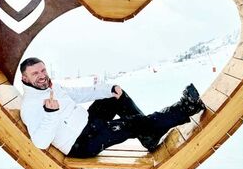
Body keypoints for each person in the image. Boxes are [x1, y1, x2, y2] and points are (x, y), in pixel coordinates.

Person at [20, 57, 205, 158]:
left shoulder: (53, 87)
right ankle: (185, 108)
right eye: (35, 73)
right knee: (132, 124)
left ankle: (148, 135)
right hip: (82, 143)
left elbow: (80, 93)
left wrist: (107, 89)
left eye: (43, 70)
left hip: (88, 123)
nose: (42, 76)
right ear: (25, 78)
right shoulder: (30, 106)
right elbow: (40, 142)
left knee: (116, 97)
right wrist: (51, 114)